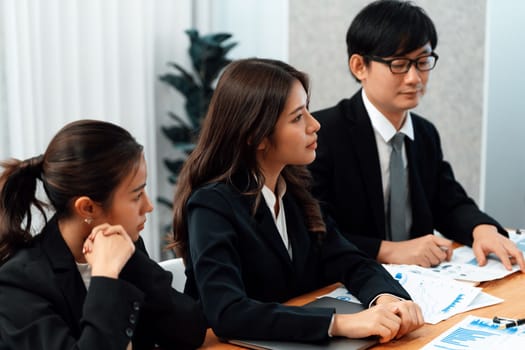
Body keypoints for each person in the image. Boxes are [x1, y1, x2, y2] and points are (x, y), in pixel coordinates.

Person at [170, 58, 423, 344]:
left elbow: (351, 261)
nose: (314, 125)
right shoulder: (212, 205)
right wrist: (339, 324)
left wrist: (386, 298)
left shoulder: (294, 191)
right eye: (297, 117)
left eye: (308, 111)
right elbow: (228, 312)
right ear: (257, 135)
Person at [309, 0, 525, 270]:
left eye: (423, 62)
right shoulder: (321, 133)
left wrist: (482, 229)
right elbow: (314, 228)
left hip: (424, 282)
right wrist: (388, 251)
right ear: (359, 66)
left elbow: (449, 202)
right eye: (399, 64)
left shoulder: (424, 133)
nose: (414, 78)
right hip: (350, 281)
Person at [0, 120, 207, 350]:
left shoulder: (124, 247)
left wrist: (131, 263)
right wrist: (106, 277)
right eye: (137, 195)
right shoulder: (19, 284)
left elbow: (191, 330)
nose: (148, 206)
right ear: (87, 208)